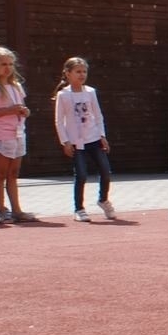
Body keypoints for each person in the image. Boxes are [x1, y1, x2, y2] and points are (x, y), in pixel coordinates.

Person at [54, 56, 115, 222]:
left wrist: (102, 136)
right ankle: (79, 208)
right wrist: (65, 141)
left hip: (93, 138)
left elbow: (98, 115)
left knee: (105, 170)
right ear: (68, 73)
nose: (81, 75)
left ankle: (103, 199)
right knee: (81, 174)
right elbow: (59, 121)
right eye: (78, 71)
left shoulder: (90, 92)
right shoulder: (63, 95)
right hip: (76, 141)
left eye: (84, 71)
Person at [0, 47, 36, 223]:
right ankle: (1, 209)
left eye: (10, 64)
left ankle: (17, 210)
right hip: (1, 135)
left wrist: (23, 111)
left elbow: (20, 106)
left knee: (13, 173)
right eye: (3, 64)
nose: (8, 68)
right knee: (1, 173)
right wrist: (8, 111)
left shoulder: (16, 86)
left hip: (18, 134)